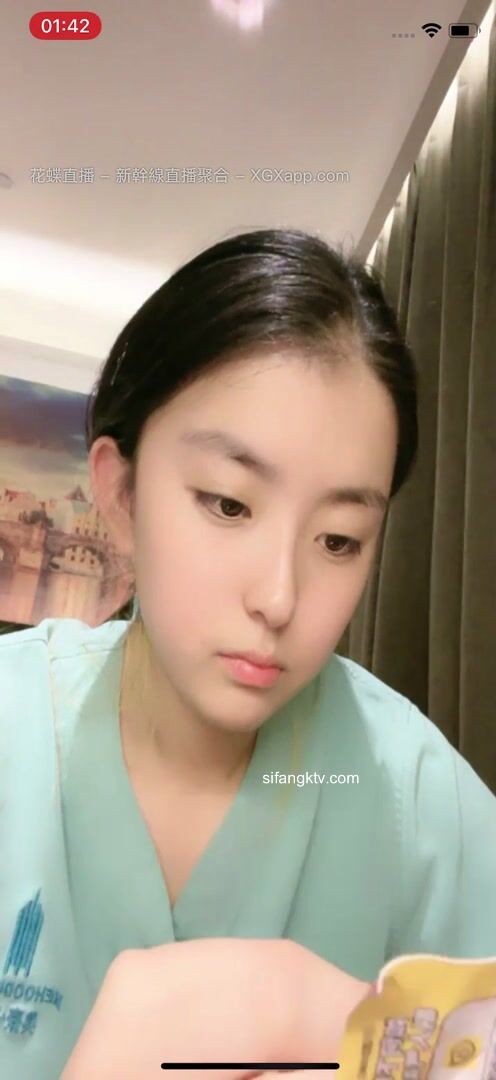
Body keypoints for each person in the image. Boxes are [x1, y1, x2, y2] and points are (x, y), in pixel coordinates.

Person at [1, 228, 495, 1079]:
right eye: (229, 505)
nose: (279, 597)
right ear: (119, 491)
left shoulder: (416, 793)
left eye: (339, 540)